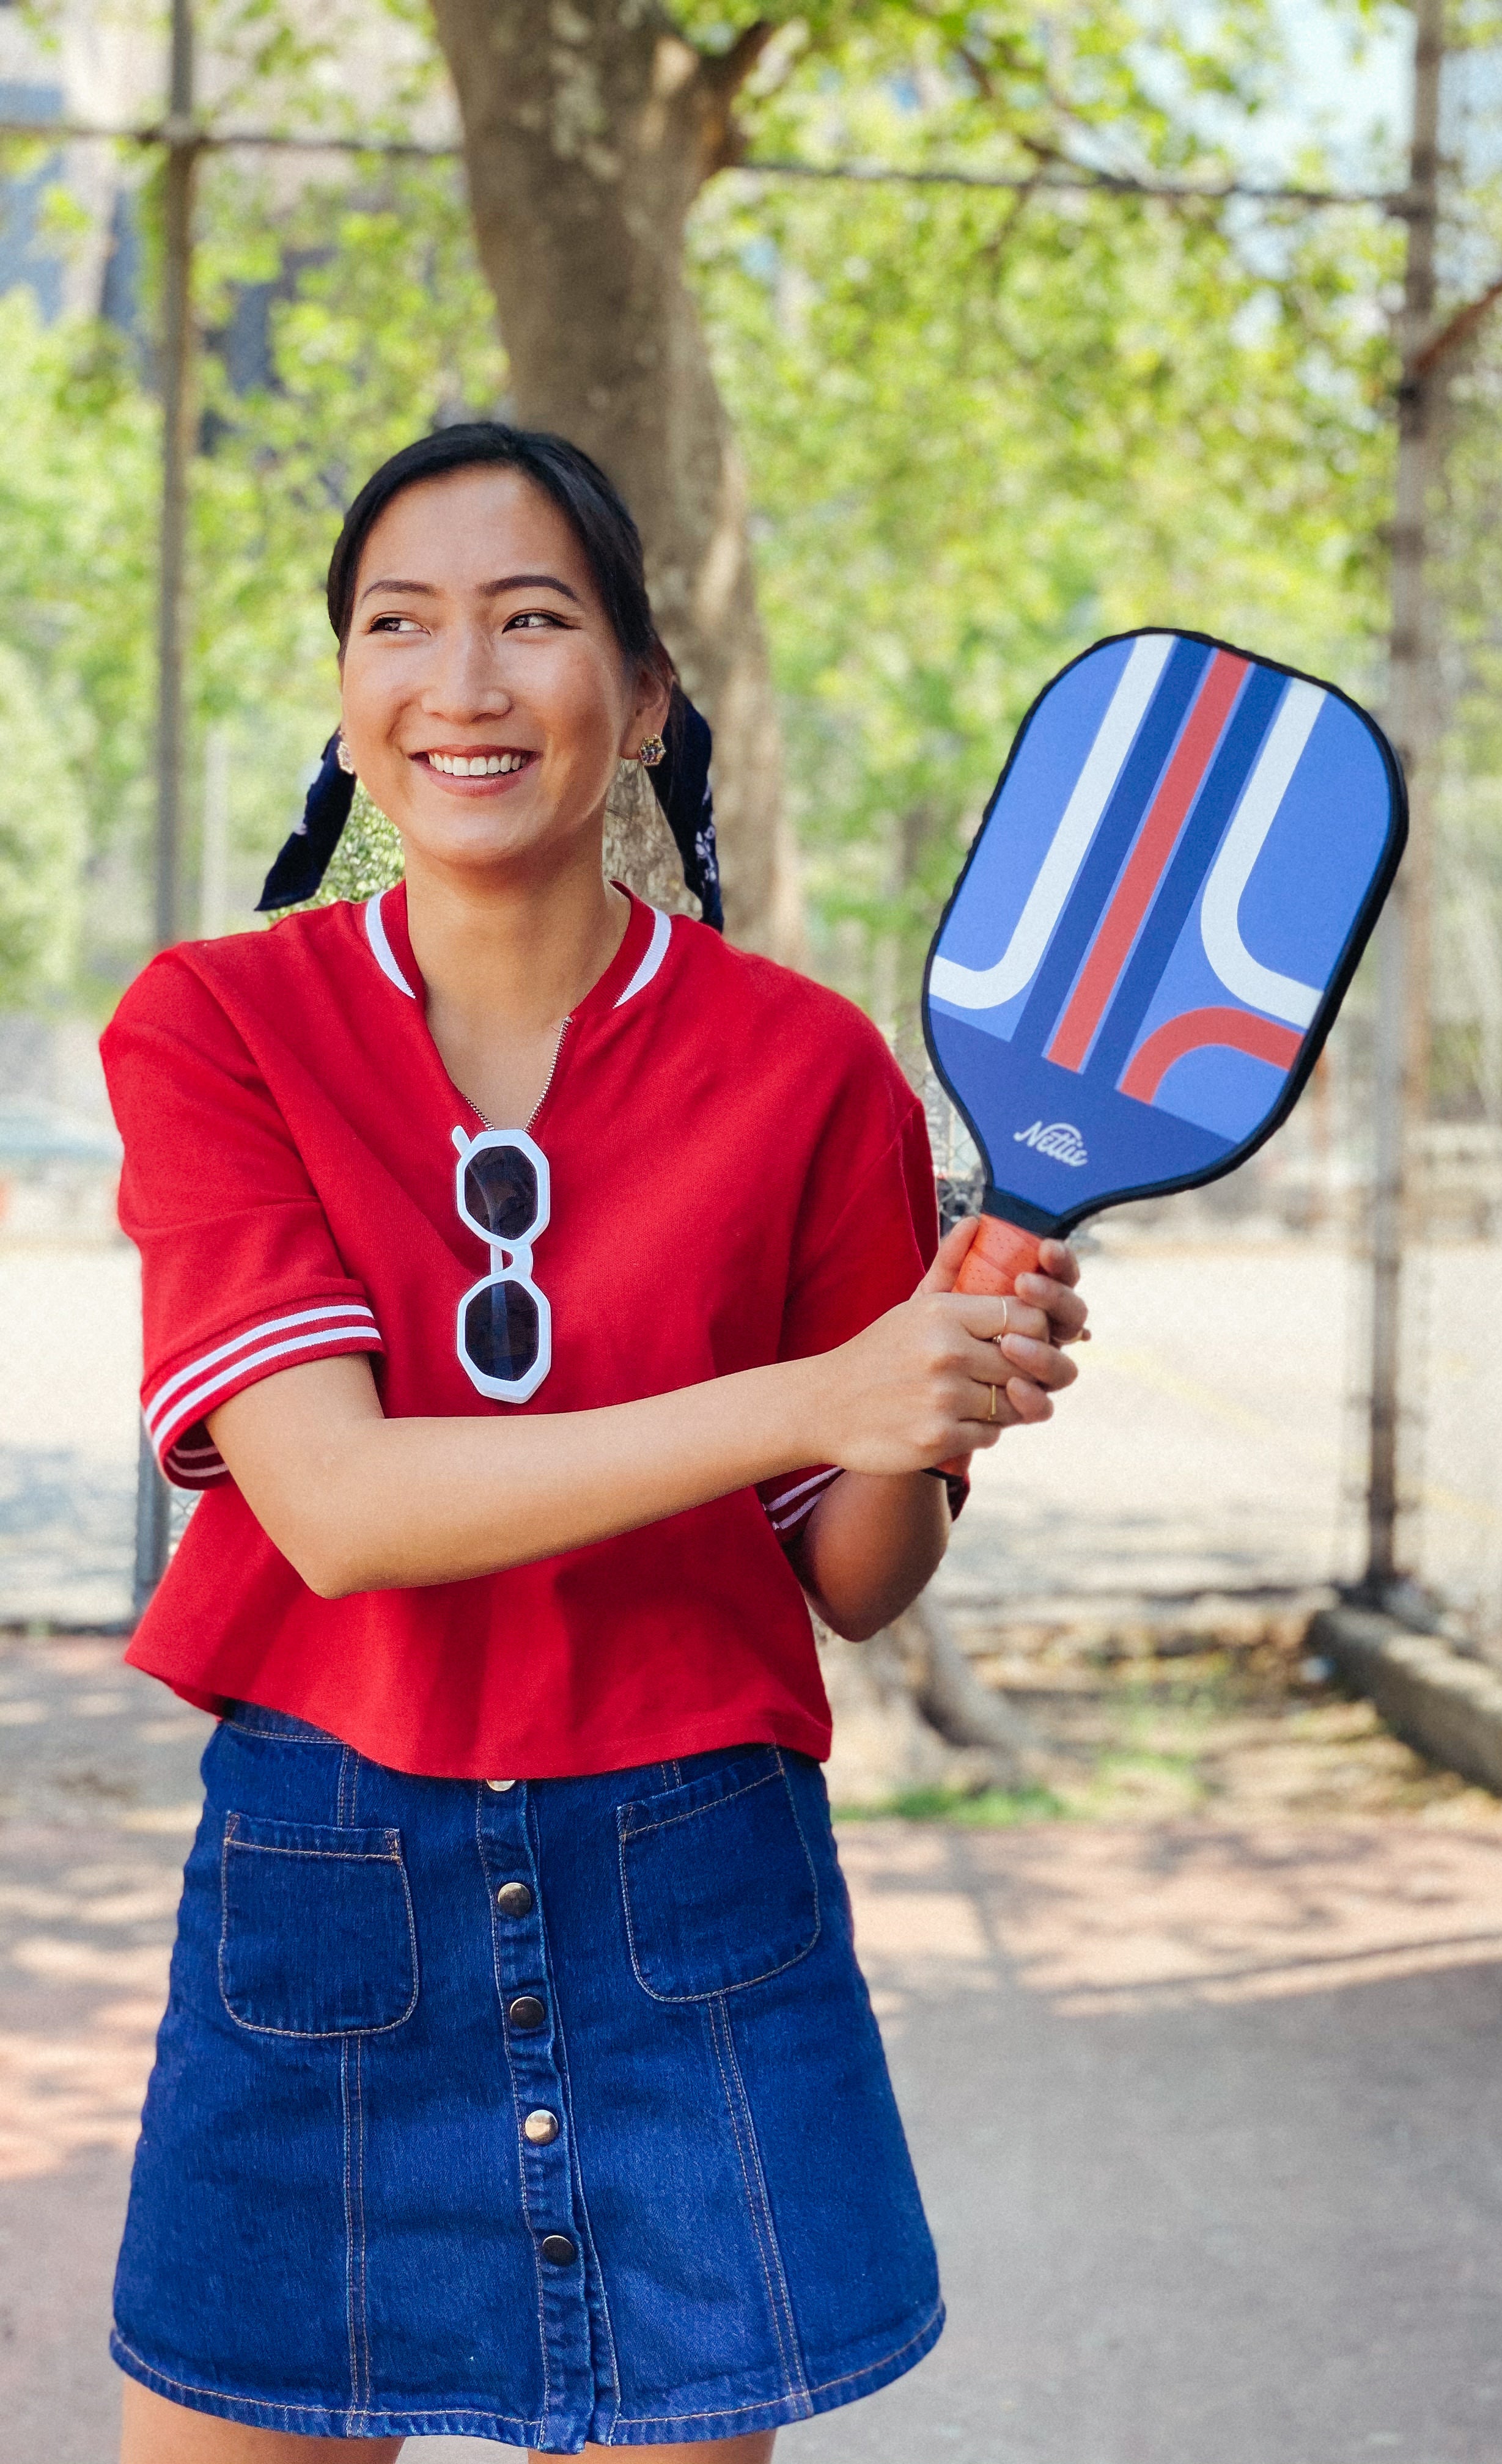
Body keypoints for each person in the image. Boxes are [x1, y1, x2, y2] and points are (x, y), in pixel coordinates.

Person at [100, 422, 1086, 2463]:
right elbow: (340, 1508)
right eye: (401, 625)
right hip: (327, 1876)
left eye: (531, 621)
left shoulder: (809, 1066)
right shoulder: (214, 1027)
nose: (463, 683)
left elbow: (858, 1581)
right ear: (349, 700)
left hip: (692, 1884)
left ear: (641, 701)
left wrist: (940, 1376)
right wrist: (818, 1391)